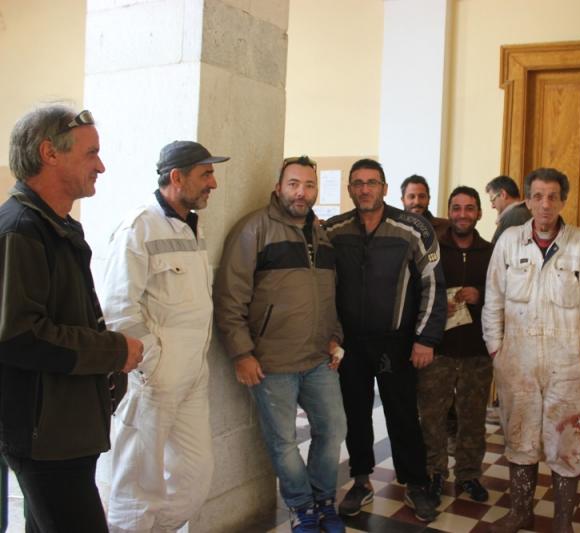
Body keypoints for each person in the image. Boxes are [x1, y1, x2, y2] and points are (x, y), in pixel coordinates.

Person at [0, 105, 142, 532]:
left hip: (65, 427)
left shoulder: (53, 225)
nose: (101, 166)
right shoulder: (22, 229)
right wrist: (113, 351)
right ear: (50, 153)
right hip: (46, 436)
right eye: (91, 153)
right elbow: (19, 335)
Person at [214, 156, 347, 533]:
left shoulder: (321, 235)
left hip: (319, 359)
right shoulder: (253, 229)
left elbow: (329, 294)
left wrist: (335, 335)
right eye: (293, 184)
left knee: (333, 429)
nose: (301, 192)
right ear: (278, 187)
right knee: (284, 442)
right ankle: (302, 507)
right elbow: (230, 297)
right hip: (271, 363)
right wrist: (242, 353)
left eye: (309, 185)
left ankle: (324, 499)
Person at [101, 140, 228, 532]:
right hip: (153, 382)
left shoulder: (192, 226)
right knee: (136, 490)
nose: (213, 183)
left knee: (194, 480)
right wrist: (153, 362)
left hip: (192, 377)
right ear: (177, 177)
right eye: (206, 174)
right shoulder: (139, 226)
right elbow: (117, 308)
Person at [482, 167, 580, 533]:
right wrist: (496, 349)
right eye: (537, 196)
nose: (545, 204)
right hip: (517, 363)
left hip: (569, 367)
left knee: (568, 442)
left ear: (563, 201)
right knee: (519, 436)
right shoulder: (509, 242)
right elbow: (493, 299)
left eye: (553, 197)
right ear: (527, 200)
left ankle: (562, 521)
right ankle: (520, 513)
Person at [324, 158, 447, 523]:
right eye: (358, 183)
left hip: (397, 342)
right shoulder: (333, 230)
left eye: (372, 182)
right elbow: (321, 285)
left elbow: (433, 285)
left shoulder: (412, 228)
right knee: (356, 414)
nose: (365, 189)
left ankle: (416, 483)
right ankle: (361, 480)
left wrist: (425, 339)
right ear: (350, 189)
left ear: (385, 188)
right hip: (350, 343)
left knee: (403, 415)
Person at [417, 186, 494, 505]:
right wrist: (439, 306)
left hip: (477, 351)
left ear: (479, 213)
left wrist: (480, 295)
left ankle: (469, 474)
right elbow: (416, 291)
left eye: (469, 208)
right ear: (449, 212)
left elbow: (505, 296)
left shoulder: (491, 253)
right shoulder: (432, 251)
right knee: (432, 416)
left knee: (472, 417)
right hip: (438, 350)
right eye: (457, 208)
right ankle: (434, 473)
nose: (463, 214)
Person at [485, 175, 531, 243]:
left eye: (493, 200)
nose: (492, 206)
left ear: (503, 194)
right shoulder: (521, 212)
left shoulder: (516, 215)